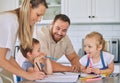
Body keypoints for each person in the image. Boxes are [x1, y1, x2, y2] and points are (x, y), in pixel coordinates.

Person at [0, 0, 48, 82]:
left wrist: (25, 73)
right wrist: (27, 75)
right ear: (29, 8)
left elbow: (7, 57)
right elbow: (1, 59)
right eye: (38, 14)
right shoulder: (11, 21)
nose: (39, 19)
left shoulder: (14, 20)